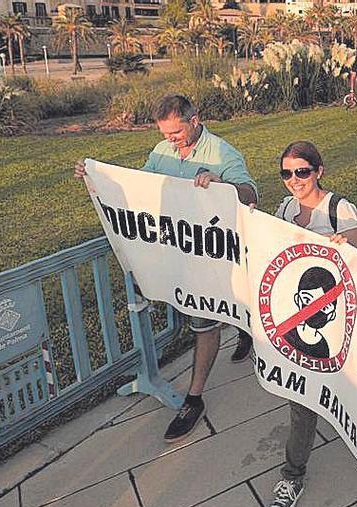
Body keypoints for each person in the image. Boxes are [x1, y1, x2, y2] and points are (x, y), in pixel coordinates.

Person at [74, 94, 258, 443]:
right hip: (176, 252)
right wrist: (96, 178)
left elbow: (250, 195)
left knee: (204, 322)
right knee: (205, 312)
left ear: (195, 119)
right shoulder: (162, 151)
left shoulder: (221, 152)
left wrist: (221, 185)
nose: (170, 139)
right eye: (165, 133)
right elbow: (138, 187)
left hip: (211, 254)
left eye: (175, 132)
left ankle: (194, 397)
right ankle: (241, 324)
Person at [265, 141, 357, 507]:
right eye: (287, 173)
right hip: (301, 330)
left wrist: (343, 248)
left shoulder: (340, 209)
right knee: (302, 402)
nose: (294, 180)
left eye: (302, 172)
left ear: (318, 171)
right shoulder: (284, 210)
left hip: (343, 330)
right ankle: (292, 475)